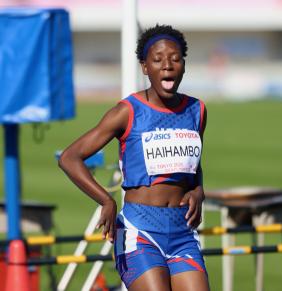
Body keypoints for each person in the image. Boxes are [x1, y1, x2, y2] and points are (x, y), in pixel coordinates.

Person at [59, 24, 209, 291]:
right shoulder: (127, 111)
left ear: (183, 65)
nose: (167, 66)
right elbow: (70, 157)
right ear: (144, 67)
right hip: (140, 230)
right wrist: (105, 199)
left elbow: (193, 165)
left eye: (175, 59)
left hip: (182, 231)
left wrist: (198, 191)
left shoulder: (197, 110)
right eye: (158, 59)